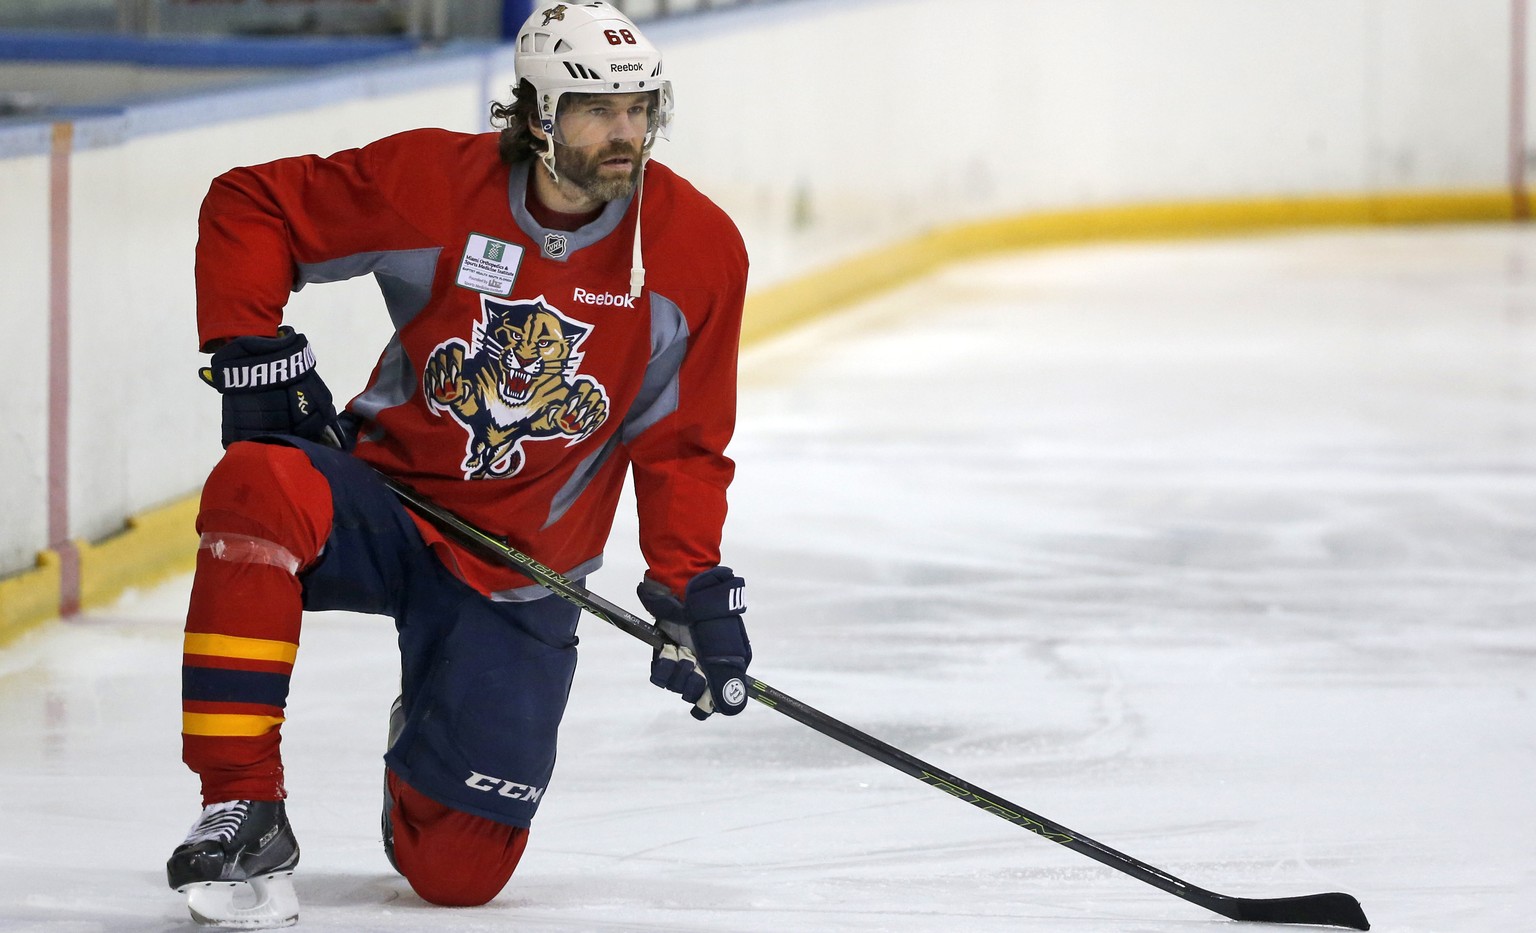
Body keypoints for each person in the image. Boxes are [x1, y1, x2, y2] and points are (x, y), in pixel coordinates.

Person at [165, 1, 752, 923]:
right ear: (534, 113)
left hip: (520, 574)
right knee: (255, 487)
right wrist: (246, 341)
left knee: (457, 876)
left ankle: (434, 735)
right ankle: (241, 800)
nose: (626, 134)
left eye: (641, 109)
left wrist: (689, 586)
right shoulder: (435, 183)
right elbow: (254, 202)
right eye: (598, 111)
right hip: (387, 503)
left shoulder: (695, 250)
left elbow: (682, 442)